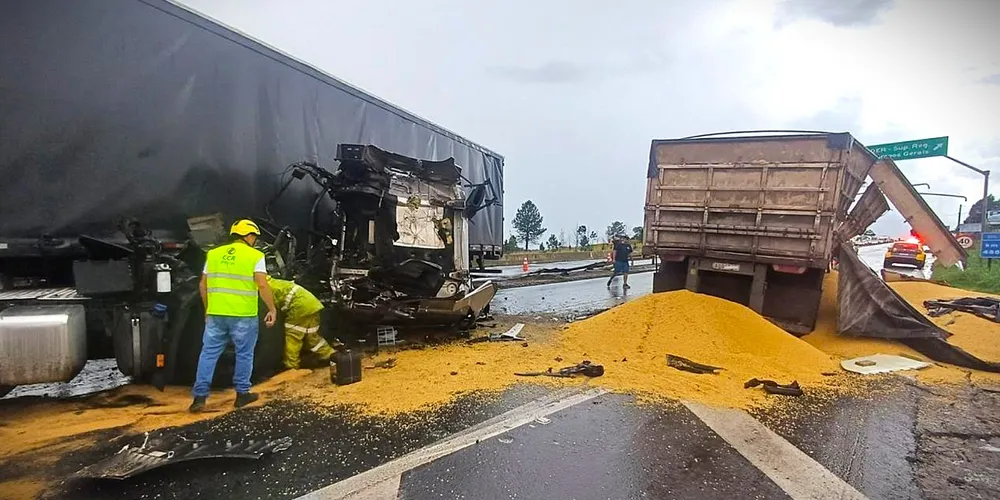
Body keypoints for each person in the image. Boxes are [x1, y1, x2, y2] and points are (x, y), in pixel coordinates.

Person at [189, 219, 277, 413]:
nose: (254, 240)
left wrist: (207, 310)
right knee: (244, 354)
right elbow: (262, 284)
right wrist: (272, 308)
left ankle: (199, 398)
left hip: (216, 314)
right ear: (248, 236)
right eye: (254, 237)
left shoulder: (213, 254)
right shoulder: (256, 255)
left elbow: (203, 284)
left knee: (208, 353)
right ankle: (242, 395)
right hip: (243, 315)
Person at [267, 276, 336, 369]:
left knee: (293, 336)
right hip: (312, 304)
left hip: (299, 307)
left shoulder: (264, 287)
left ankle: (291, 365)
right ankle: (330, 355)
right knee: (312, 337)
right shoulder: (275, 282)